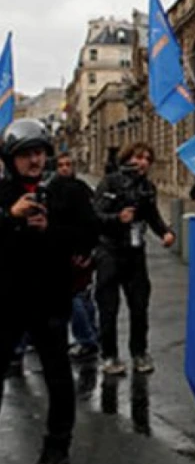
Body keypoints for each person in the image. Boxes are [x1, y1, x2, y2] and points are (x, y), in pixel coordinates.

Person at [0, 119, 98, 464]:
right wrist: (11, 217)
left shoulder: (66, 191)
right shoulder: (3, 194)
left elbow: (88, 236)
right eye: (26, 154)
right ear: (11, 158)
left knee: (58, 376)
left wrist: (51, 229)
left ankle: (57, 446)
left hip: (50, 301)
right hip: (8, 300)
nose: (34, 161)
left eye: (39, 153)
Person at [93, 142, 175, 376]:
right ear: (127, 158)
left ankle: (139, 352)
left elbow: (152, 215)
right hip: (109, 251)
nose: (143, 162)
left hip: (135, 252)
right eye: (138, 157)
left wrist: (166, 232)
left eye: (147, 159)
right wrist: (117, 218)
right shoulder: (110, 182)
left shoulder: (147, 187)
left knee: (139, 306)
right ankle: (109, 355)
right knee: (108, 308)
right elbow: (96, 215)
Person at [55, 152, 99, 362]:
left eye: (68, 165)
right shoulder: (53, 189)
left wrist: (87, 250)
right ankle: (92, 334)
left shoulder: (79, 189)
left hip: (76, 251)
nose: (64, 168)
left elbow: (91, 221)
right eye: (61, 165)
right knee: (82, 295)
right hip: (66, 250)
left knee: (75, 296)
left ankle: (86, 339)